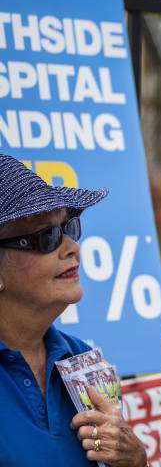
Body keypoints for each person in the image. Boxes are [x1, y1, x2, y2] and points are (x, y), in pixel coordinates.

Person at [0, 154, 148, 466]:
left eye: (70, 227)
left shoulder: (82, 359)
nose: (72, 246)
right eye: (47, 237)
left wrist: (133, 460)